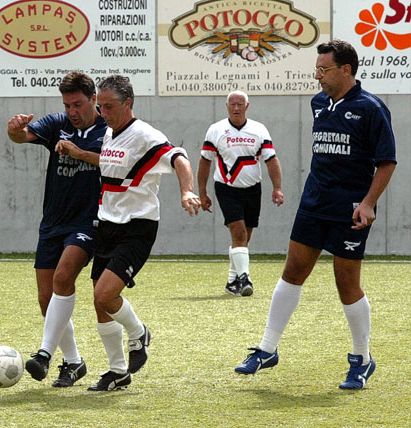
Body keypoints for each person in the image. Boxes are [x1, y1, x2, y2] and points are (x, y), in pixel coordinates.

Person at [234, 40, 396, 390]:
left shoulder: (371, 108)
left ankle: (362, 359)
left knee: (346, 282)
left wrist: (368, 203)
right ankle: (267, 349)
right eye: (317, 69)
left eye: (324, 69)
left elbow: (387, 162)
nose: (318, 76)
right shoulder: (318, 103)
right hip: (314, 204)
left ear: (346, 70)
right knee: (292, 271)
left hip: (349, 209)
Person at [87, 75, 201, 391]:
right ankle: (117, 372)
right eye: (100, 106)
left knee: (105, 294)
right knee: (100, 302)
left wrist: (186, 191)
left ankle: (139, 333)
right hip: (107, 224)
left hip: (136, 227)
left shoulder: (145, 135)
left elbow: (179, 158)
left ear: (128, 103)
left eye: (109, 106)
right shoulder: (109, 133)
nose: (103, 112)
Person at [6, 71, 106, 387]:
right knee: (46, 298)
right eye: (67, 105)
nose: (72, 112)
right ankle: (74, 362)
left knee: (64, 277)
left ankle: (44, 354)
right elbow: (22, 137)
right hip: (52, 222)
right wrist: (14, 130)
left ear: (93, 99)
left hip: (88, 221)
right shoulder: (56, 123)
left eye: (78, 104)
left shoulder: (109, 128)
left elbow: (116, 162)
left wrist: (79, 153)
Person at [197, 90, 284, 297]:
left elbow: (271, 160)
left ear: (247, 106)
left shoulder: (259, 129)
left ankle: (231, 281)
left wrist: (277, 188)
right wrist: (202, 192)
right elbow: (205, 162)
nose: (236, 108)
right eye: (232, 104)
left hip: (253, 189)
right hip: (226, 188)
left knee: (245, 238)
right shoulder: (216, 130)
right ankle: (245, 278)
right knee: (238, 232)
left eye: (240, 104)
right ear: (227, 107)